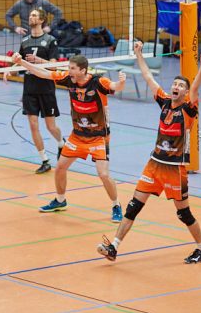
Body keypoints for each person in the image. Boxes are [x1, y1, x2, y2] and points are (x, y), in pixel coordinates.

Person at [97, 42, 201, 262]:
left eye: (181, 85)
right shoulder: (165, 102)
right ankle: (114, 247)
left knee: (183, 213)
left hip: (174, 169)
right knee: (133, 207)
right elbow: (148, 76)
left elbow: (196, 88)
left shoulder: (189, 109)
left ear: (186, 92)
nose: (176, 86)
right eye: (174, 83)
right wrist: (139, 54)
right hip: (154, 164)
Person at [11, 52, 126, 222]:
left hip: (99, 137)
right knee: (60, 168)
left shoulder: (98, 82)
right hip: (77, 136)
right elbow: (44, 73)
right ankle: (60, 200)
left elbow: (116, 86)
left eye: (72, 68)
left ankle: (116, 205)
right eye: (69, 67)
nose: (69, 71)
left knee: (103, 174)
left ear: (83, 70)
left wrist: (121, 82)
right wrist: (22, 62)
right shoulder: (68, 79)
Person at [3, 9, 64, 174]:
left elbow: (54, 67)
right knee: (33, 125)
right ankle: (45, 160)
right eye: (30, 15)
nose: (31, 17)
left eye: (34, 15)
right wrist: (9, 70)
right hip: (29, 89)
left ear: (42, 20)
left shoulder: (50, 40)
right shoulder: (25, 41)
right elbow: (20, 62)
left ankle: (61, 143)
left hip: (46, 88)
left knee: (51, 127)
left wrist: (38, 61)